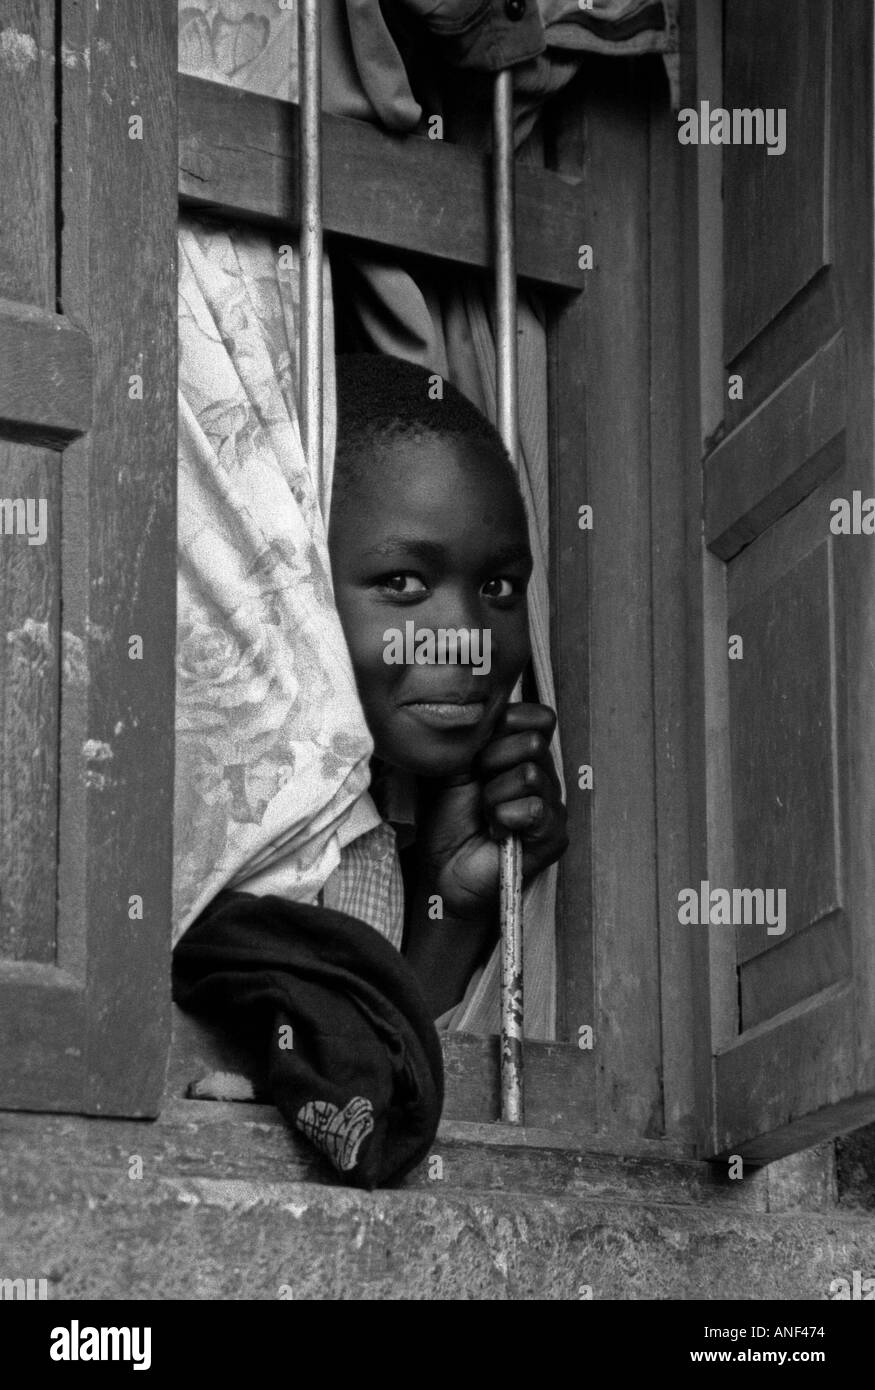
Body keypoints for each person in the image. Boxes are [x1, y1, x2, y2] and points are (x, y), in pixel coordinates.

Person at [326, 353, 568, 1019]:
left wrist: (453, 904)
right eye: (403, 582)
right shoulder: (215, 824)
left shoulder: (403, 821)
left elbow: (370, 1090)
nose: (467, 639)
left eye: (496, 588)